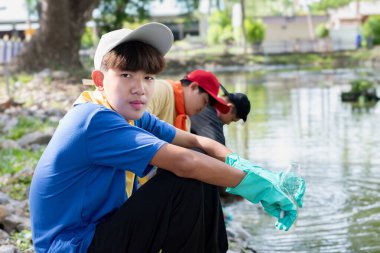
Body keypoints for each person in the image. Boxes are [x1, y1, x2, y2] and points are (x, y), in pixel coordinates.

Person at [29, 22, 304, 253]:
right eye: (126, 75)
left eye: (148, 77)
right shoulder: (94, 119)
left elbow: (197, 142)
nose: (139, 88)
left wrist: (256, 172)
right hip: (74, 246)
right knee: (188, 176)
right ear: (99, 79)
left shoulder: (129, 113)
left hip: (99, 234)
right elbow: (186, 162)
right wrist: (257, 189)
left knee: (204, 165)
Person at [147, 69, 230, 132]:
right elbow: (136, 125)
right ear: (193, 87)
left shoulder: (185, 122)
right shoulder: (162, 89)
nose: (203, 108)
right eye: (204, 101)